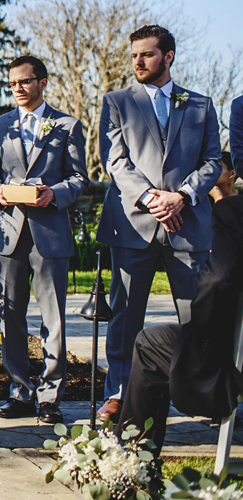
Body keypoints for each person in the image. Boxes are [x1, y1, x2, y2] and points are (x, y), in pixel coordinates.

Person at [95, 24, 222, 421]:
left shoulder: (199, 104)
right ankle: (118, 394)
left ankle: (200, 394)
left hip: (188, 226)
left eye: (146, 54)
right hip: (134, 225)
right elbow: (115, 161)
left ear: (168, 57)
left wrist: (181, 196)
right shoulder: (117, 101)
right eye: (134, 55)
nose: (137, 61)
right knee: (125, 316)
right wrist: (153, 199)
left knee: (197, 316)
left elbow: (213, 161)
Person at [0, 55, 88, 425]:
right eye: (12, 84)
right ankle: (20, 392)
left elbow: (79, 179)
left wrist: (52, 194)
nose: (18, 89)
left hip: (50, 234)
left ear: (43, 82)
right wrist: (0, 193)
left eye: (24, 82)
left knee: (53, 317)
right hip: (9, 234)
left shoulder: (67, 125)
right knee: (10, 316)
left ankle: (50, 396)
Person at [117, 194, 243, 453]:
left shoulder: (235, 210)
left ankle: (132, 468)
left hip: (237, 358)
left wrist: (203, 335)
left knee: (150, 345)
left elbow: (217, 281)